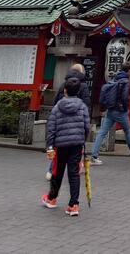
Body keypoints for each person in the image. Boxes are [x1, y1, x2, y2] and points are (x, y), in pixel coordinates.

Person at [42, 78, 90, 217]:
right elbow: (86, 126)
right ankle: (73, 205)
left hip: (60, 145)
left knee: (57, 172)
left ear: (65, 90)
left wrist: (50, 146)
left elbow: (51, 128)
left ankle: (52, 198)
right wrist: (82, 139)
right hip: (76, 144)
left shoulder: (57, 107)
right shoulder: (82, 107)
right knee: (74, 173)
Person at [90, 61, 130, 164]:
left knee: (102, 132)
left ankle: (94, 155)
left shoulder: (116, 78)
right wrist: (125, 108)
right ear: (129, 71)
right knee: (127, 131)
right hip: (120, 111)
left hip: (111, 109)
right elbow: (124, 97)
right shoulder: (125, 81)